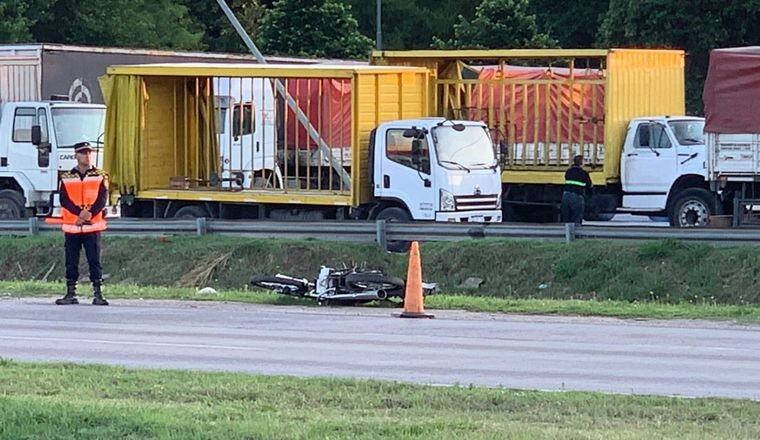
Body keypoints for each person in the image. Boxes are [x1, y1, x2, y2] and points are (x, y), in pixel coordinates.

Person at [55, 142, 109, 306]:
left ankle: (98, 293)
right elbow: (64, 199)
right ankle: (71, 292)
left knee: (94, 260)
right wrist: (79, 214)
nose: (87, 156)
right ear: (76, 156)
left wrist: (88, 214)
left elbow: (102, 198)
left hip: (92, 225)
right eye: (83, 153)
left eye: (89, 153)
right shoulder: (66, 177)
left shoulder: (100, 175)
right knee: (71, 260)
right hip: (73, 225)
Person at [561, 155, 592, 225]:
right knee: (576, 217)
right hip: (577, 196)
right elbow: (589, 185)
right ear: (581, 163)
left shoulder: (568, 171)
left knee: (566, 217)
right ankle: (576, 234)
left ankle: (565, 233)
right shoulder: (583, 173)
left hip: (566, 195)